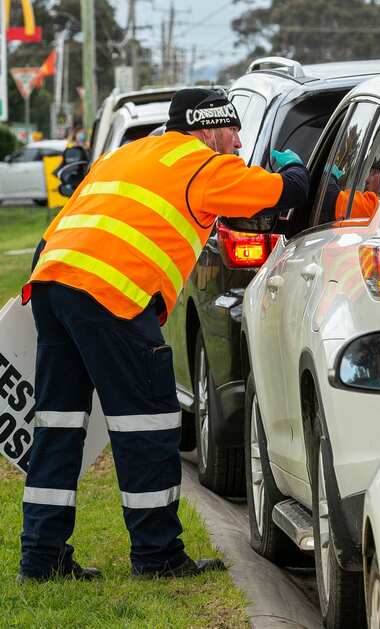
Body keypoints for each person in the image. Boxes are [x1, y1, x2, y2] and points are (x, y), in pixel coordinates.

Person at [18, 88, 309, 582]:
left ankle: (41, 560)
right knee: (146, 426)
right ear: (206, 129)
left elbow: (52, 234)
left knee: (58, 427)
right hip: (111, 296)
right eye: (232, 129)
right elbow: (287, 194)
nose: (239, 141)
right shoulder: (204, 166)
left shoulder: (125, 155)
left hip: (52, 285)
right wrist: (295, 165)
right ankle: (157, 558)